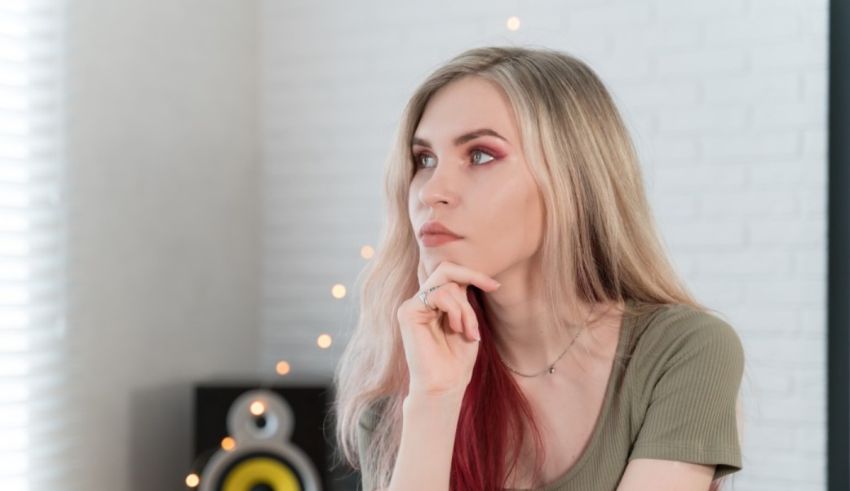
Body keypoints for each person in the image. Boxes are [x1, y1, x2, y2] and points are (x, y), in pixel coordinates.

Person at [331, 46, 745, 491]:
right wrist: (434, 399)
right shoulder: (399, 401)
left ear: (573, 177)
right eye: (424, 160)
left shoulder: (682, 352)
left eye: (480, 155)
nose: (432, 191)